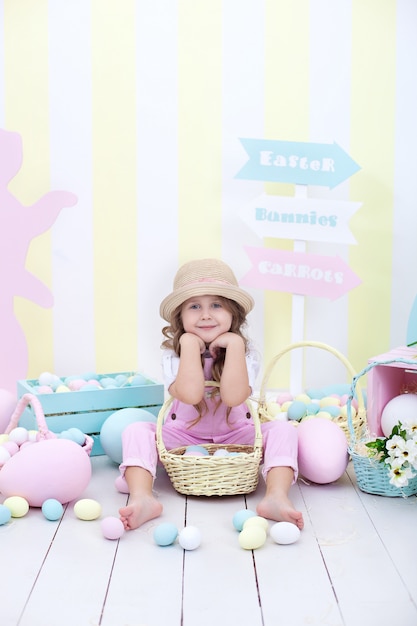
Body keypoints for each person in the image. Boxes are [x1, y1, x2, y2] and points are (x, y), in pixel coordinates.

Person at [118, 258, 304, 531]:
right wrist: (189, 345)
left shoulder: (245, 353)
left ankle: (276, 496)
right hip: (183, 436)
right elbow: (191, 395)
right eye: (195, 306)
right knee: (135, 431)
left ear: (233, 314)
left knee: (284, 431)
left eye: (216, 305)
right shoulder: (174, 355)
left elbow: (233, 397)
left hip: (236, 434)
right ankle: (142, 497)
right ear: (180, 316)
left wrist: (236, 346)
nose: (206, 315)